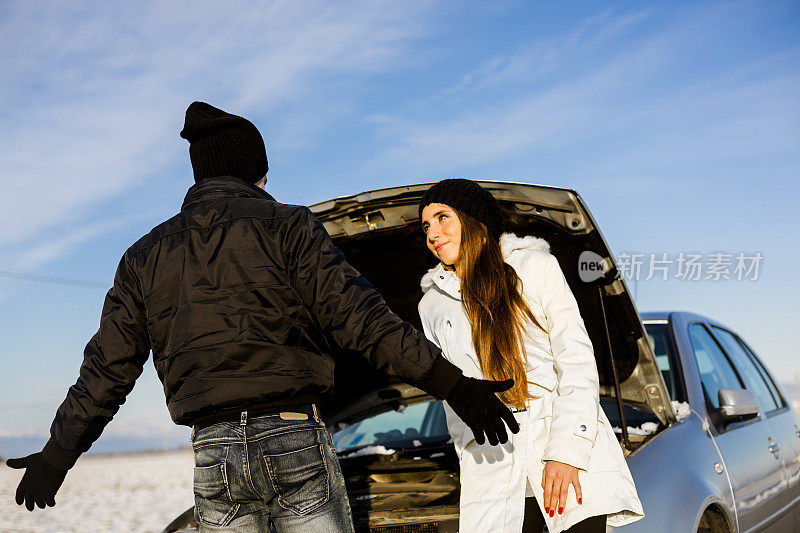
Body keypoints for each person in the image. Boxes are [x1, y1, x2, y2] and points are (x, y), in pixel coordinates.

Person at [6, 104, 520, 532]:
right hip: (294, 437)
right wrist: (454, 386)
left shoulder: (145, 256)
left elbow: (107, 369)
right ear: (259, 174)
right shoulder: (288, 227)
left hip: (213, 452)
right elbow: (364, 322)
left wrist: (58, 455)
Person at [417, 179, 644, 533]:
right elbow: (454, 400)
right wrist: (471, 456)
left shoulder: (536, 268)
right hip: (492, 462)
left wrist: (565, 453)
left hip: (561, 451)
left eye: (443, 217)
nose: (433, 233)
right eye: (426, 226)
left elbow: (576, 361)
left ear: (473, 219)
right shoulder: (431, 304)